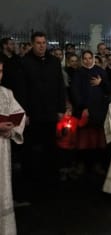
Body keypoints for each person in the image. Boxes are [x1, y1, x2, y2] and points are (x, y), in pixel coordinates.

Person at [20, 31, 66, 184]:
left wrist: (61, 109)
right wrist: (25, 112)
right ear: (32, 44)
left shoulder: (54, 62)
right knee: (32, 146)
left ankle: (50, 175)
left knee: (50, 145)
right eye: (38, 43)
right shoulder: (25, 62)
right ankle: (32, 177)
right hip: (33, 113)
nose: (41, 46)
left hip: (51, 111)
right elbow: (23, 89)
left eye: (44, 43)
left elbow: (60, 86)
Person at [0, 59, 26, 235]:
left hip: (2, 145)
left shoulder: (6, 93)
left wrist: (11, 129)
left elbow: (19, 114)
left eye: (0, 71)